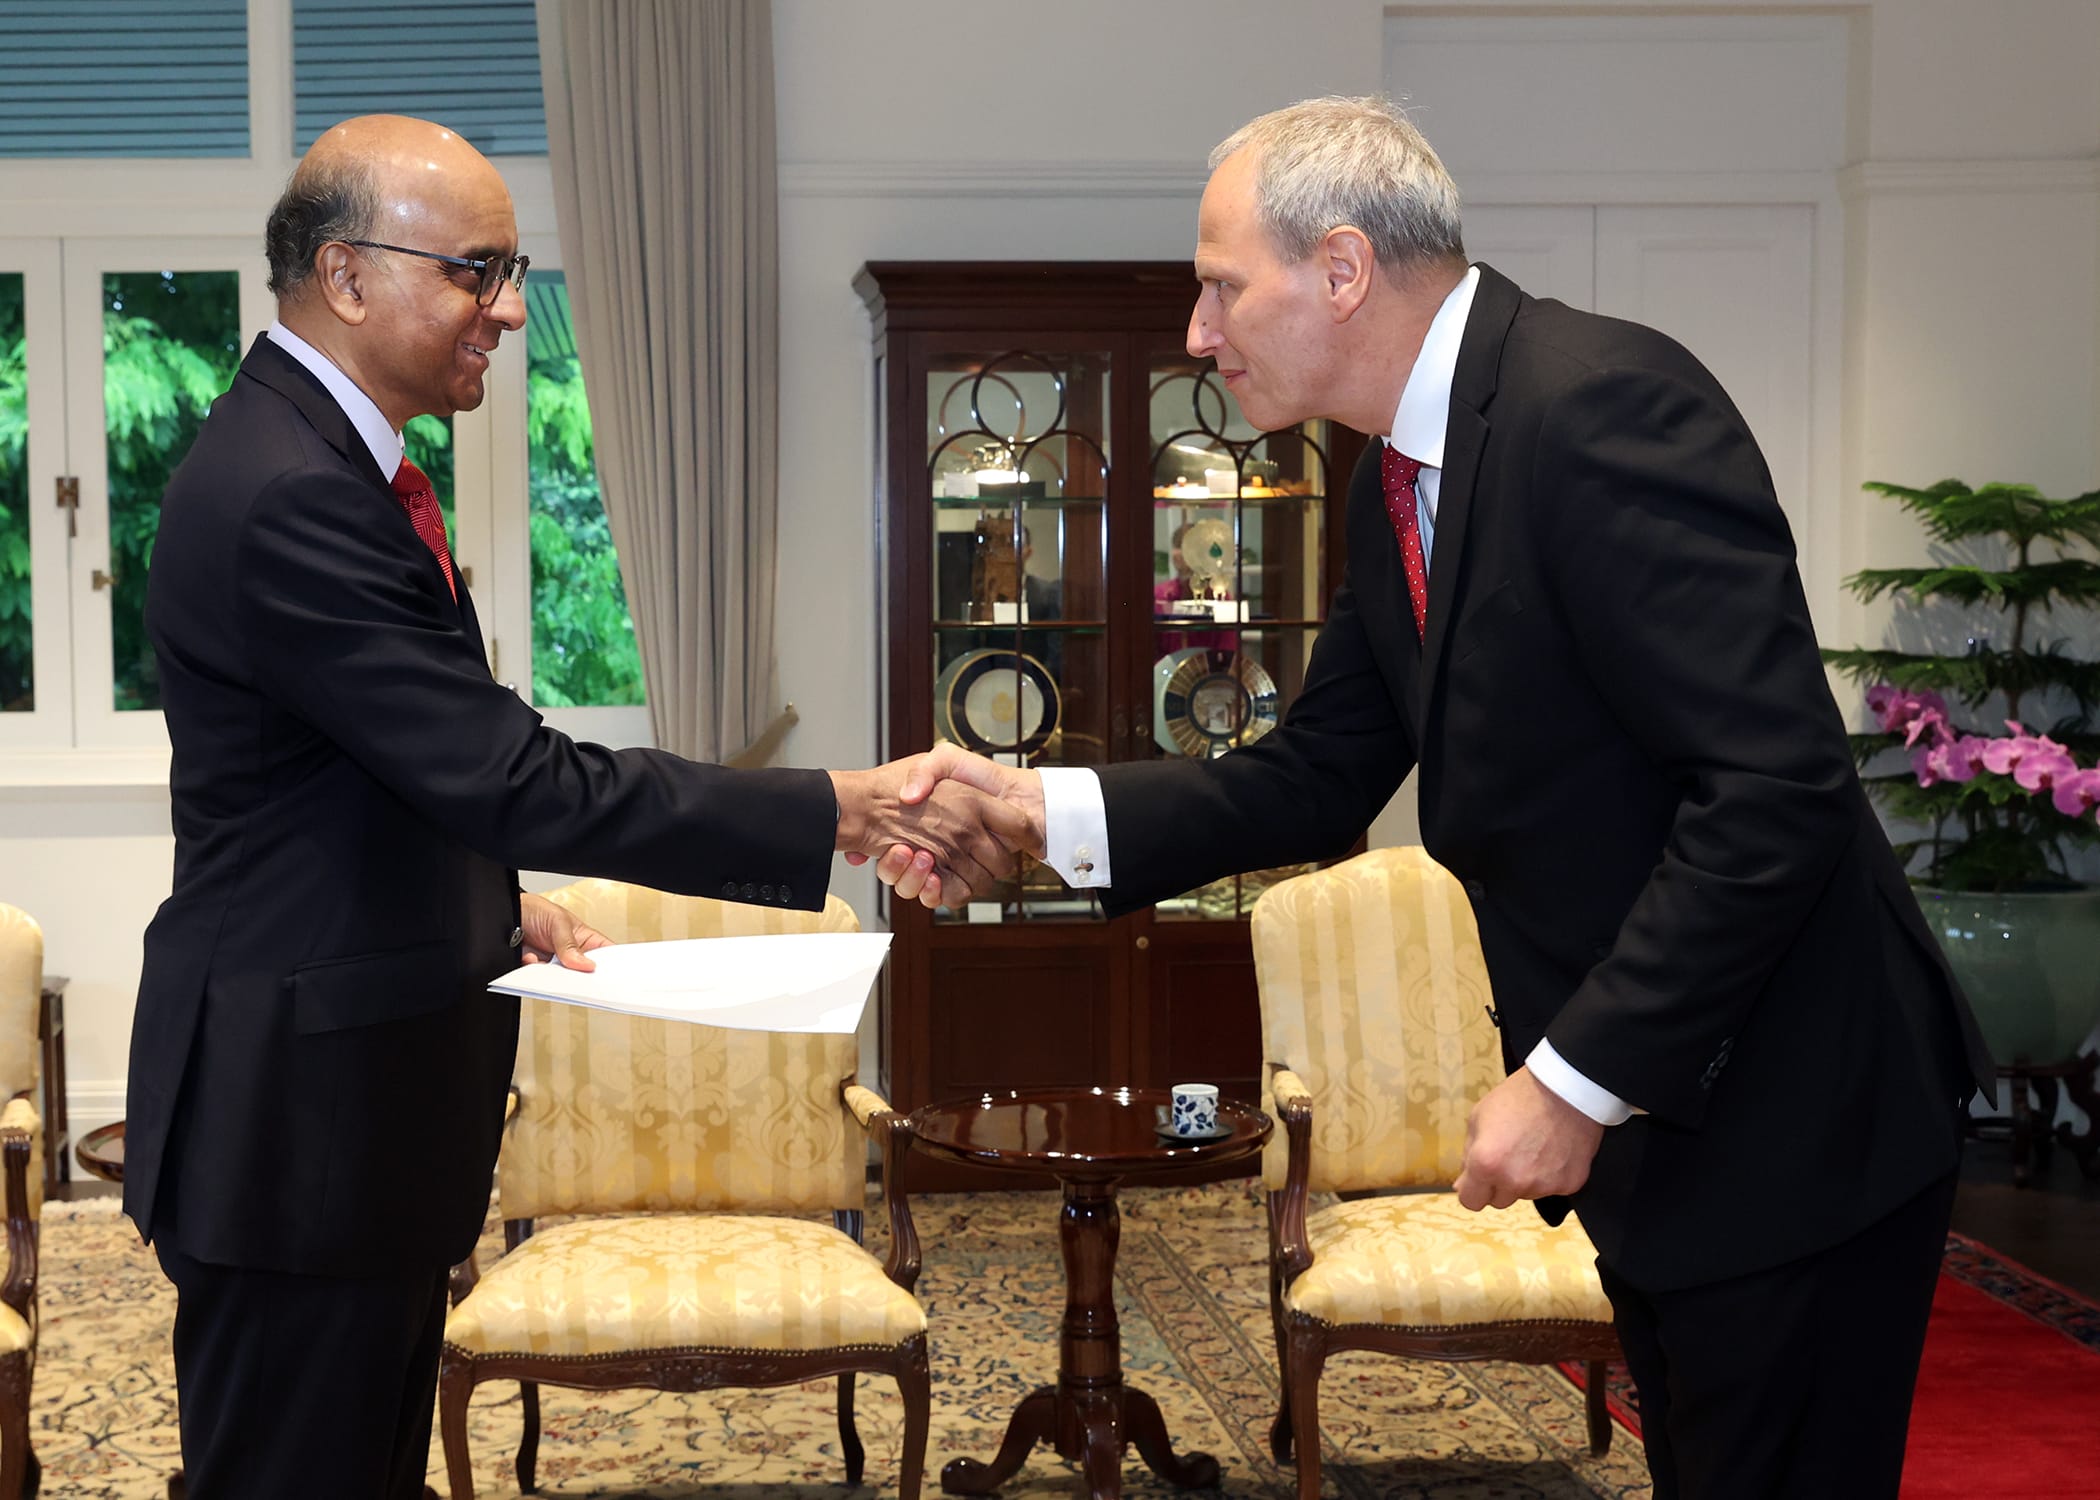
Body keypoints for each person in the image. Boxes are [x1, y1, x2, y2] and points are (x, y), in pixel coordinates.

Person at [881, 96, 1995, 1500]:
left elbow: (1773, 790)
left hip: (1792, 1121)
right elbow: (1314, 774)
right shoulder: (1395, 483)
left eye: (1224, 286)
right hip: (1681, 1142)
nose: (1198, 335)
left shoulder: (1596, 408)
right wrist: (1036, 814)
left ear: (1341, 270)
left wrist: (1574, 1076)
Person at [128, 115, 1021, 1500]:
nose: (503, 311)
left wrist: (492, 903)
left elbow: (367, 778)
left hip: (341, 1110)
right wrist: (836, 804)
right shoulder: (292, 494)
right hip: (301, 1130)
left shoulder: (322, 462)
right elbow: (508, 772)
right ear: (348, 275)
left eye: (511, 271)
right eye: (475, 272)